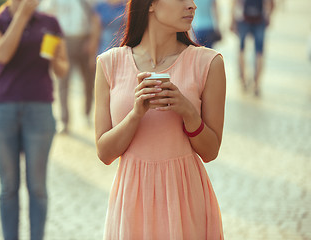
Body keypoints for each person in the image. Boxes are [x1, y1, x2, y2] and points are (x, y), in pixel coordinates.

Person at [94, 0, 226, 239]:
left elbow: (210, 151)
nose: (193, 6)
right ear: (151, 4)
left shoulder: (209, 63)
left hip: (186, 200)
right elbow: (105, 153)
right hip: (131, 204)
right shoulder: (109, 63)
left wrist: (188, 112)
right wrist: (135, 115)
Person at [0, 0, 69, 239]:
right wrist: (21, 16)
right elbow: (2, 54)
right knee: (8, 187)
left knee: (38, 187)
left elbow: (63, 69)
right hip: (4, 110)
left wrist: (54, 59)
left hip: (40, 111)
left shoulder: (50, 23)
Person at [39, 0, 96, 132]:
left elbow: (94, 17)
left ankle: (87, 113)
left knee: (88, 81)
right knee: (63, 82)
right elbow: (43, 12)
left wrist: (92, 40)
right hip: (64, 39)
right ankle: (64, 120)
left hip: (84, 39)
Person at [230, 0, 274, 96]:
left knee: (241, 49)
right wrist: (269, 16)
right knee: (259, 52)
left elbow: (234, 2)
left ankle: (243, 80)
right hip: (260, 19)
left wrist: (232, 20)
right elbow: (271, 3)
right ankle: (257, 84)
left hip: (242, 18)